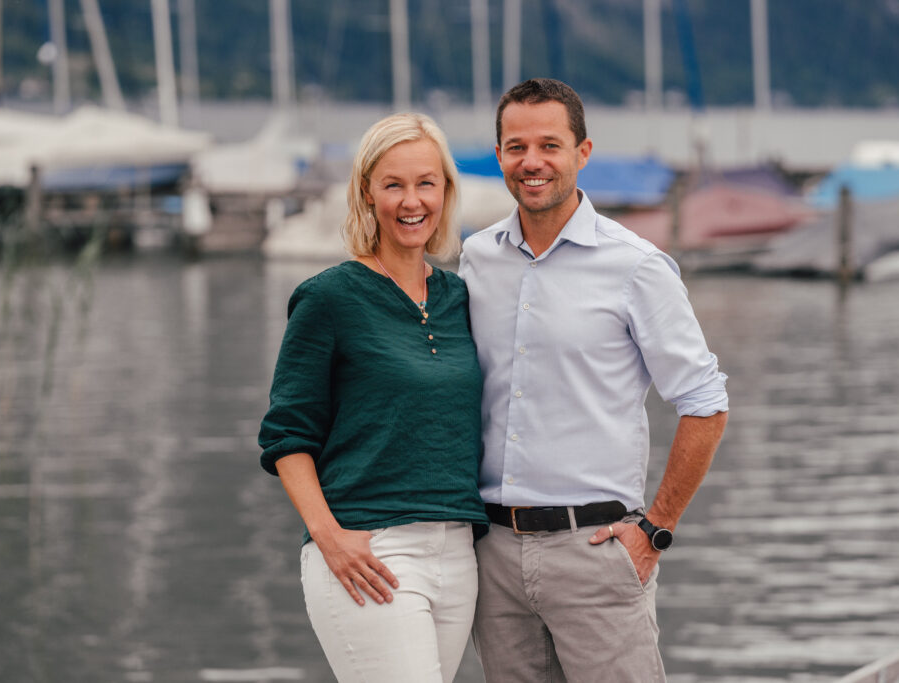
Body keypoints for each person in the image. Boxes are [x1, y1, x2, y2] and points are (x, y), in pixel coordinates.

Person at [459, 78, 729, 682]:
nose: (532, 162)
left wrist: (654, 532)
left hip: (598, 551)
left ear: (582, 153)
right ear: (499, 154)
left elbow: (706, 403)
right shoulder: (476, 257)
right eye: (515, 146)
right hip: (493, 554)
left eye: (550, 145)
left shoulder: (635, 265)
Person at [258, 112, 488, 683]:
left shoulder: (459, 296)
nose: (412, 201)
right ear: (367, 193)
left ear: (445, 191)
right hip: (370, 550)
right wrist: (328, 537)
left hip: (458, 552)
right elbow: (287, 436)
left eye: (426, 183)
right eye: (394, 185)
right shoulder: (328, 298)